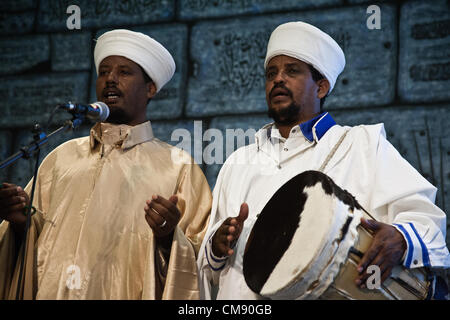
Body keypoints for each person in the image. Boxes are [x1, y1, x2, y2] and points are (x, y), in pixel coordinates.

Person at [197, 21, 450, 299]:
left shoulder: (362, 143)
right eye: (271, 73)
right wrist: (217, 247)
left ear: (321, 87)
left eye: (291, 70)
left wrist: (401, 237)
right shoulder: (238, 162)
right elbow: (207, 269)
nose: (277, 79)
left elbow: (424, 217)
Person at [0, 29, 212, 300]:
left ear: (150, 88)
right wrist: (21, 223)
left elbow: (200, 262)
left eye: (124, 72)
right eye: (104, 71)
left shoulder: (179, 167)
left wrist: (168, 237)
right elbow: (29, 248)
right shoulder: (60, 158)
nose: (110, 79)